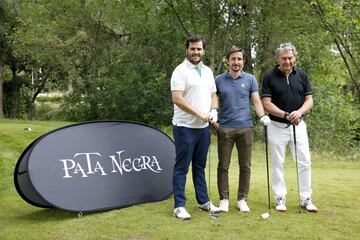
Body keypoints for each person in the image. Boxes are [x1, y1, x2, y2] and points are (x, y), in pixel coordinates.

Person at [261, 42, 318, 212]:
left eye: (290, 58)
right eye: (284, 58)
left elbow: (309, 100)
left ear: (295, 58)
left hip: (299, 125)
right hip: (276, 126)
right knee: (278, 163)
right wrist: (286, 115)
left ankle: (305, 199)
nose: (287, 61)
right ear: (277, 59)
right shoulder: (269, 77)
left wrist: (298, 113)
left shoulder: (302, 76)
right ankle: (280, 198)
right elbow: (266, 103)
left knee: (305, 162)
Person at [213, 46, 270, 213]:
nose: (236, 62)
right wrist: (214, 114)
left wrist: (261, 116)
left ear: (243, 61)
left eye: (239, 59)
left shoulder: (250, 79)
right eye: (233, 59)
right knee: (223, 165)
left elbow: (257, 101)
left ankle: (242, 199)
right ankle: (224, 199)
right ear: (228, 61)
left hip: (246, 128)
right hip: (225, 128)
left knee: (245, 166)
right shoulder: (218, 80)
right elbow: (214, 100)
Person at [170, 35, 220, 220]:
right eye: (193, 49)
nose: (196, 52)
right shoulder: (180, 71)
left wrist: (214, 110)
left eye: (199, 49)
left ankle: (203, 201)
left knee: (199, 166)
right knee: (182, 167)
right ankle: (179, 206)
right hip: (185, 127)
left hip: (203, 128)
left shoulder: (207, 71)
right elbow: (177, 98)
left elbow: (213, 94)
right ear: (187, 50)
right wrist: (199, 113)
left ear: (203, 50)